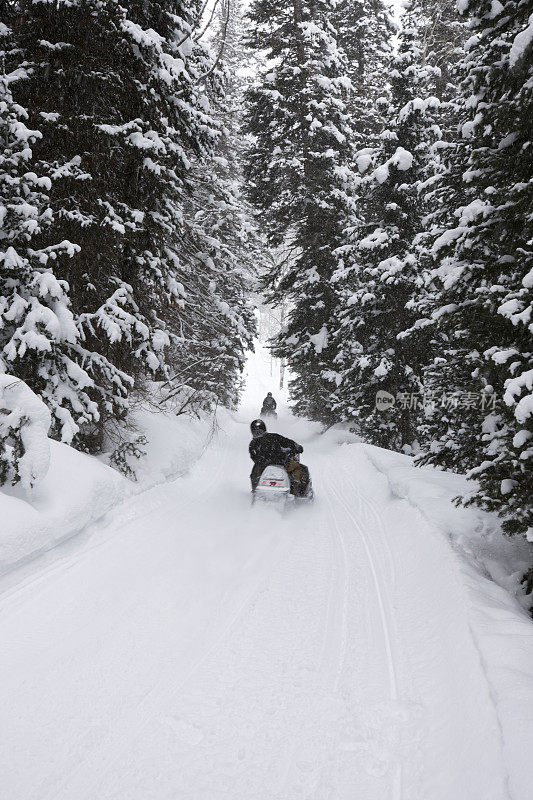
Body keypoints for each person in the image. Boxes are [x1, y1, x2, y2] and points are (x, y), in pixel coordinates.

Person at [249, 419, 311, 497]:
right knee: (300, 468)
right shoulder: (273, 436)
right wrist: (297, 446)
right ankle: (297, 490)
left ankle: (255, 492)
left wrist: (262, 462)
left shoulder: (253, 443)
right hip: (281, 462)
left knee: (254, 475)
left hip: (263, 466)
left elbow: (253, 457)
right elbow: (288, 442)